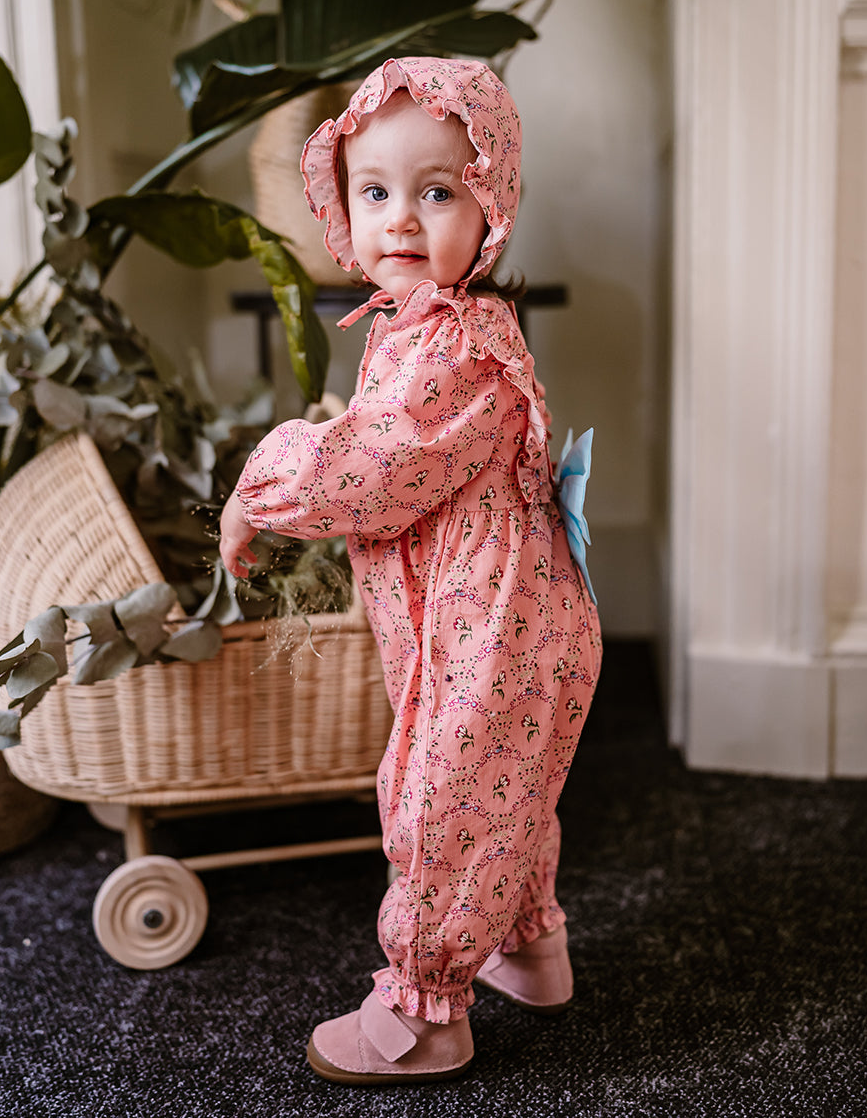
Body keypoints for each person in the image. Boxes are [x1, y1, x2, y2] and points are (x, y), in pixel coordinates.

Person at [220, 56, 602, 1085]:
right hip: (494, 614)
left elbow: (367, 466)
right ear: (340, 207)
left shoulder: (454, 351)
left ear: (491, 206)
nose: (400, 219)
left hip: (496, 628)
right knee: (504, 788)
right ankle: (531, 945)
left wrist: (258, 487)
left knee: (440, 802)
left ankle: (427, 1011)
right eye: (374, 191)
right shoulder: (424, 325)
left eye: (437, 192)